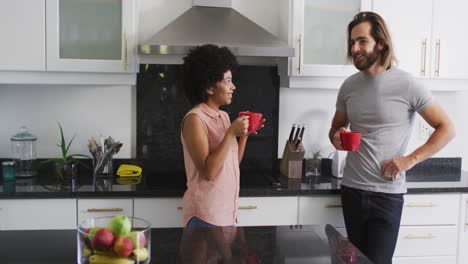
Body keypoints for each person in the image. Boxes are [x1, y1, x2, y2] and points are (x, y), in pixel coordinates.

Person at [329, 11, 455, 264]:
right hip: (352, 190)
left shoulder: (408, 84)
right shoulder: (349, 86)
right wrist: (337, 137)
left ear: (381, 43)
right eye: (352, 42)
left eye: (362, 41)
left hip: (387, 194)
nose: (354, 48)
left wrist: (409, 160)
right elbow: (335, 130)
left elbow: (446, 128)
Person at [181, 44, 265, 227]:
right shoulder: (195, 119)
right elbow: (208, 172)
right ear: (210, 87)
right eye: (227, 81)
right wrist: (230, 135)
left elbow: (232, 161)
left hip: (227, 214)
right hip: (205, 216)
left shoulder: (224, 116)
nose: (233, 87)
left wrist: (244, 135)